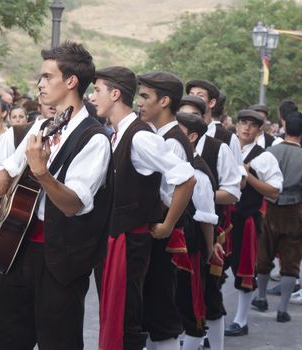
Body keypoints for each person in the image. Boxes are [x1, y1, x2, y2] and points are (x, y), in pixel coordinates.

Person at [0, 41, 113, 350]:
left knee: (59, 342)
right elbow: (9, 170)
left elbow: (73, 204)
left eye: (47, 77)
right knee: (4, 340)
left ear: (71, 81)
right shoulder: (42, 125)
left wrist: (41, 172)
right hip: (17, 248)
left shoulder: (94, 139)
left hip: (61, 260)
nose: (40, 84)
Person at [88, 67, 195, 350]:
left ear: (114, 94)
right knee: (115, 317)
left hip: (128, 240)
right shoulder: (116, 133)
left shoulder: (140, 137)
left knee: (126, 321)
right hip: (114, 237)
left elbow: (185, 177)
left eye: (96, 90)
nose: (92, 96)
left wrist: (168, 224)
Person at [136, 72, 198, 350]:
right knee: (152, 306)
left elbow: (176, 189)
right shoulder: (159, 135)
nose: (140, 102)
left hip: (162, 233)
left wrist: (166, 224)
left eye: (145, 96)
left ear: (164, 101)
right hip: (158, 229)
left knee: (161, 309)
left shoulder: (171, 140)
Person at [223, 110, 282, 336]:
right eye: (243, 123)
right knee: (214, 269)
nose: (246, 128)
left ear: (259, 131)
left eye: (252, 125)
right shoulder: (225, 149)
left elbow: (276, 191)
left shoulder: (263, 157)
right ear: (236, 126)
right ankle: (211, 319)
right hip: (224, 218)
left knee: (244, 270)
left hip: (247, 219)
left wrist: (250, 177)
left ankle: (241, 319)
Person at [254, 111, 302, 323]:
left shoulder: (270, 152)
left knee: (264, 253)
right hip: (294, 211)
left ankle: (260, 297)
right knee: (291, 259)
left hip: (270, 208)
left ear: (284, 126)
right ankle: (283, 309)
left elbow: (256, 173)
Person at [174, 112, 220, 350]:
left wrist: (209, 249)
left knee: (191, 311)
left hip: (189, 250)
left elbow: (206, 217)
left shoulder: (198, 172)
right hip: (171, 248)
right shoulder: (174, 161)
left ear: (191, 137)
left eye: (177, 130)